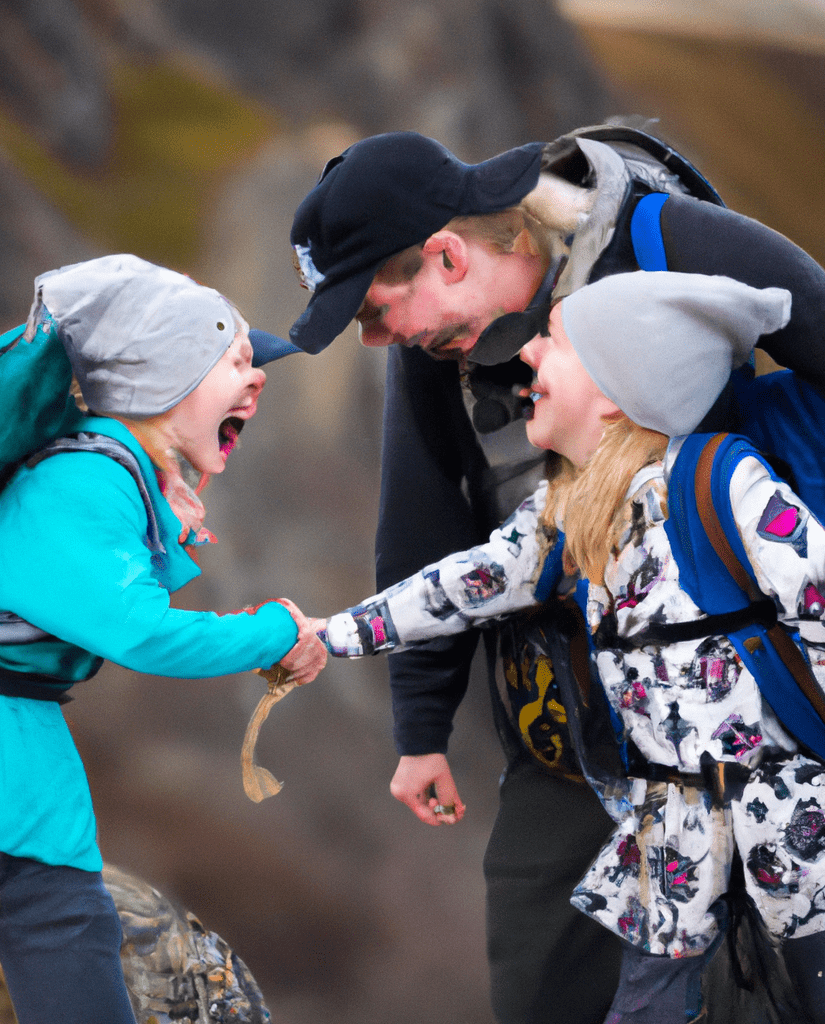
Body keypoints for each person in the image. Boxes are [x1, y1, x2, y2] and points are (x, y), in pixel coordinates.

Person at [288, 126, 825, 1023]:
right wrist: (419, 727)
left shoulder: (675, 246)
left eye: (373, 312)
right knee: (552, 991)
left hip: (766, 755)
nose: (378, 340)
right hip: (564, 745)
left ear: (446, 255)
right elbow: (431, 544)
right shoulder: (441, 357)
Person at [0, 254, 326, 1024]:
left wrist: (168, 519)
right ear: (165, 377)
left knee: (50, 918)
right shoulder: (85, 480)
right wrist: (271, 632)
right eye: (236, 359)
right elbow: (140, 633)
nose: (258, 376)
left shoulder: (112, 472)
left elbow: (83, 598)